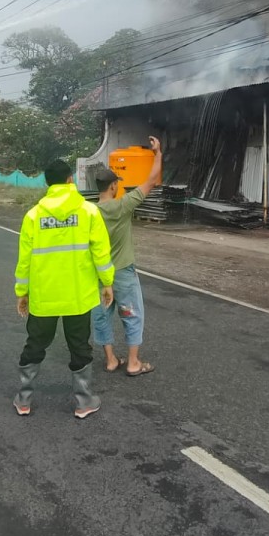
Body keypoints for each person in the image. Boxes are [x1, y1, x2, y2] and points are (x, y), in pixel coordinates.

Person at [13, 159, 114, 419]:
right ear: (71, 179)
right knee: (79, 346)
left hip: (44, 296)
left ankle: (24, 399)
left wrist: (22, 292)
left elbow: (24, 260)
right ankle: (83, 402)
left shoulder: (33, 216)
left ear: (47, 183)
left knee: (35, 345)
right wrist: (107, 282)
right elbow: (101, 252)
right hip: (78, 296)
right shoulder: (89, 212)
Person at [92, 136, 163, 376]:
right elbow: (152, 180)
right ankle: (133, 363)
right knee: (131, 313)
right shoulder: (124, 205)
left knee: (101, 315)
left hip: (98, 273)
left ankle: (111, 359)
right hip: (122, 271)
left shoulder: (89, 212)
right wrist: (157, 153)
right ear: (113, 186)